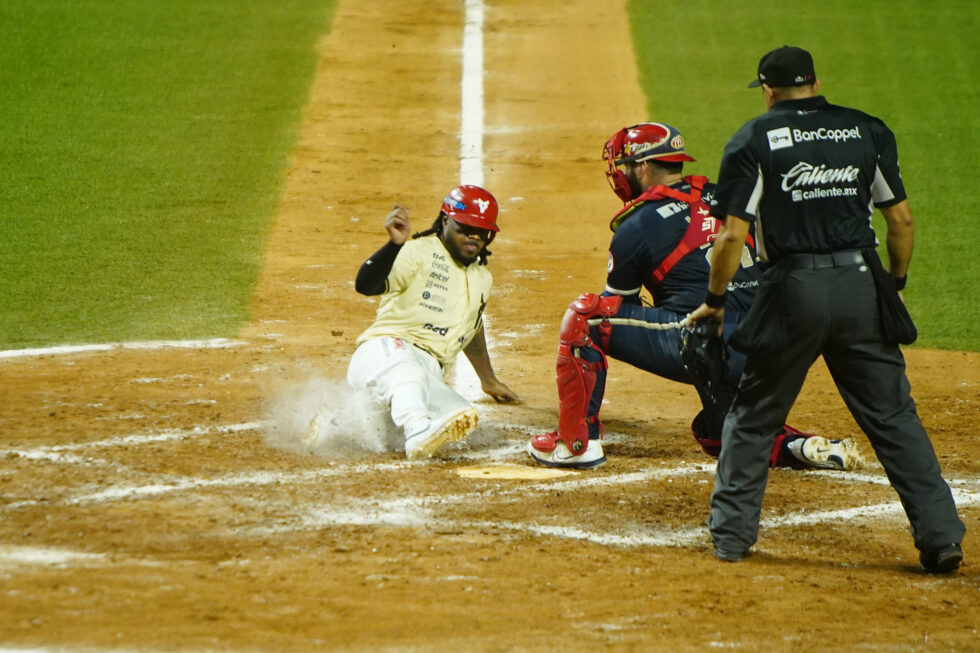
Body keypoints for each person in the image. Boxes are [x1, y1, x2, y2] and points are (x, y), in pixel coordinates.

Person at [689, 46, 965, 572]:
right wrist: (895, 284)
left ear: (768, 89)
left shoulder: (754, 139)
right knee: (892, 417)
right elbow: (900, 221)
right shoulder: (866, 130)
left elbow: (731, 235)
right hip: (862, 284)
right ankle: (941, 537)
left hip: (792, 291)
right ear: (815, 82)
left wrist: (716, 299)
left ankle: (731, 536)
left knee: (754, 415)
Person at [526, 122, 862, 472]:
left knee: (587, 319)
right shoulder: (729, 195)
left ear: (642, 167)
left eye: (625, 167)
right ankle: (800, 447)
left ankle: (575, 444)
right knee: (719, 434)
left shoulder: (635, 225)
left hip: (715, 347)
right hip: (782, 345)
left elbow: (619, 310)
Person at [310, 185, 520, 459]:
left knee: (461, 420)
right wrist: (394, 245)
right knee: (406, 373)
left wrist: (488, 379)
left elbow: (472, 326)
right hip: (386, 352)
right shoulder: (417, 252)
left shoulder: (483, 278)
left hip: (428, 371)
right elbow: (366, 285)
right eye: (465, 228)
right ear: (446, 222)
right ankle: (417, 430)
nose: (474, 237)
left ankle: (338, 421)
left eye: (482, 231)